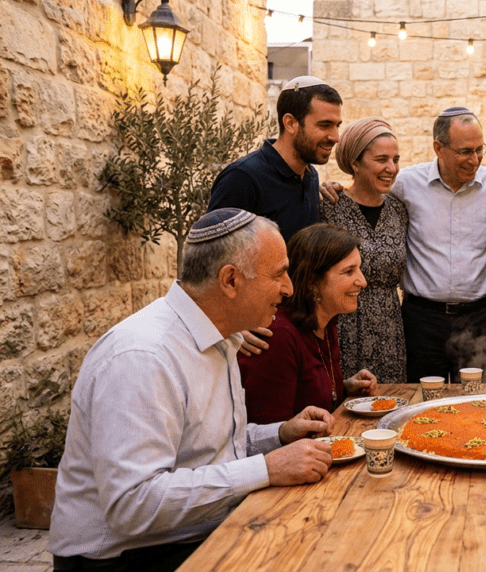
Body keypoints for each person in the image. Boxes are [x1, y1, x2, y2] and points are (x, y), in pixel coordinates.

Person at [49, 209, 337, 572]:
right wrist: (265, 469)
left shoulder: (221, 335)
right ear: (230, 280)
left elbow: (204, 449)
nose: (289, 288)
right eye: (278, 273)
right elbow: (133, 504)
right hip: (124, 559)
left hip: (186, 538)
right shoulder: (143, 356)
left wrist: (278, 435)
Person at [390, 106, 486, 384]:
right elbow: (366, 194)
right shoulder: (407, 184)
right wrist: (334, 190)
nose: (475, 160)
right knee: (421, 399)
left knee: (479, 404)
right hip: (422, 321)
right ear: (438, 148)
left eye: (479, 149)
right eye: (464, 152)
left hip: (479, 320)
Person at [239, 223, 377, 423]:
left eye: (359, 269)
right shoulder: (278, 336)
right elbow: (269, 431)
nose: (362, 281)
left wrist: (343, 387)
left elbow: (305, 392)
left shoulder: (325, 323)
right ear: (312, 281)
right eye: (349, 272)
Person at [319, 117, 408, 384]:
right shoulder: (328, 206)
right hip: (342, 325)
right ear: (355, 163)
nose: (391, 168)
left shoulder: (398, 211)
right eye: (381, 159)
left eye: (396, 159)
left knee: (390, 403)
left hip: (390, 329)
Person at [209, 76, 343, 244]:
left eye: (337, 125)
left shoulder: (310, 176)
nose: (335, 137)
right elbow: (215, 256)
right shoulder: (242, 179)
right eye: (324, 125)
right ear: (290, 123)